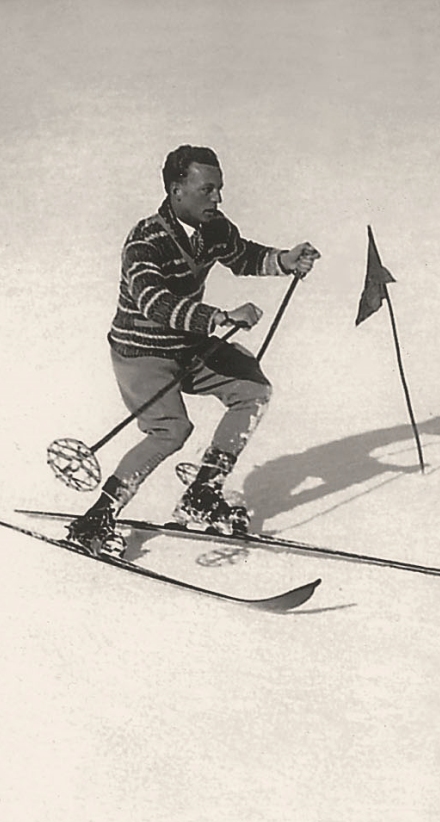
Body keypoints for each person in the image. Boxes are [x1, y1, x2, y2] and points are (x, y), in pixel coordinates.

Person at [64, 145, 320, 555]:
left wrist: (283, 260)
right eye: (207, 190)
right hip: (142, 351)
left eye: (219, 189)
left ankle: (201, 493)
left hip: (187, 345)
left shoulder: (213, 228)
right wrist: (218, 317)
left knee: (253, 391)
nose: (217, 199)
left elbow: (242, 255)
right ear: (175, 189)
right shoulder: (146, 240)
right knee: (171, 430)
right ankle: (96, 518)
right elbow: (155, 303)